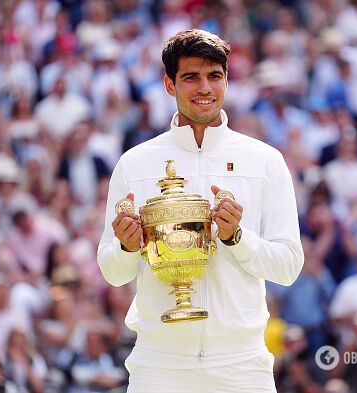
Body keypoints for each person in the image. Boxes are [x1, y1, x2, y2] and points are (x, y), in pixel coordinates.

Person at [97, 29, 304, 392]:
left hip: (242, 365)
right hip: (159, 365)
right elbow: (112, 271)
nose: (204, 88)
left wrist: (236, 238)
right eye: (191, 77)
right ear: (169, 84)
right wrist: (128, 247)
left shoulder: (265, 161)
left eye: (214, 76)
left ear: (227, 80)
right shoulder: (135, 163)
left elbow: (288, 266)